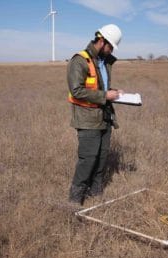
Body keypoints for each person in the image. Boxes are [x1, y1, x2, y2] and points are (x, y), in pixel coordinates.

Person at [67, 24, 123, 205]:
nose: (111, 50)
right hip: (88, 119)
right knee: (88, 159)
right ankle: (75, 201)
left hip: (105, 117)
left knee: (101, 157)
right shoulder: (80, 60)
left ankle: (96, 193)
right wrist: (105, 95)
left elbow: (100, 87)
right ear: (101, 40)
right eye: (111, 46)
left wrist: (113, 92)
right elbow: (76, 90)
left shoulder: (104, 62)